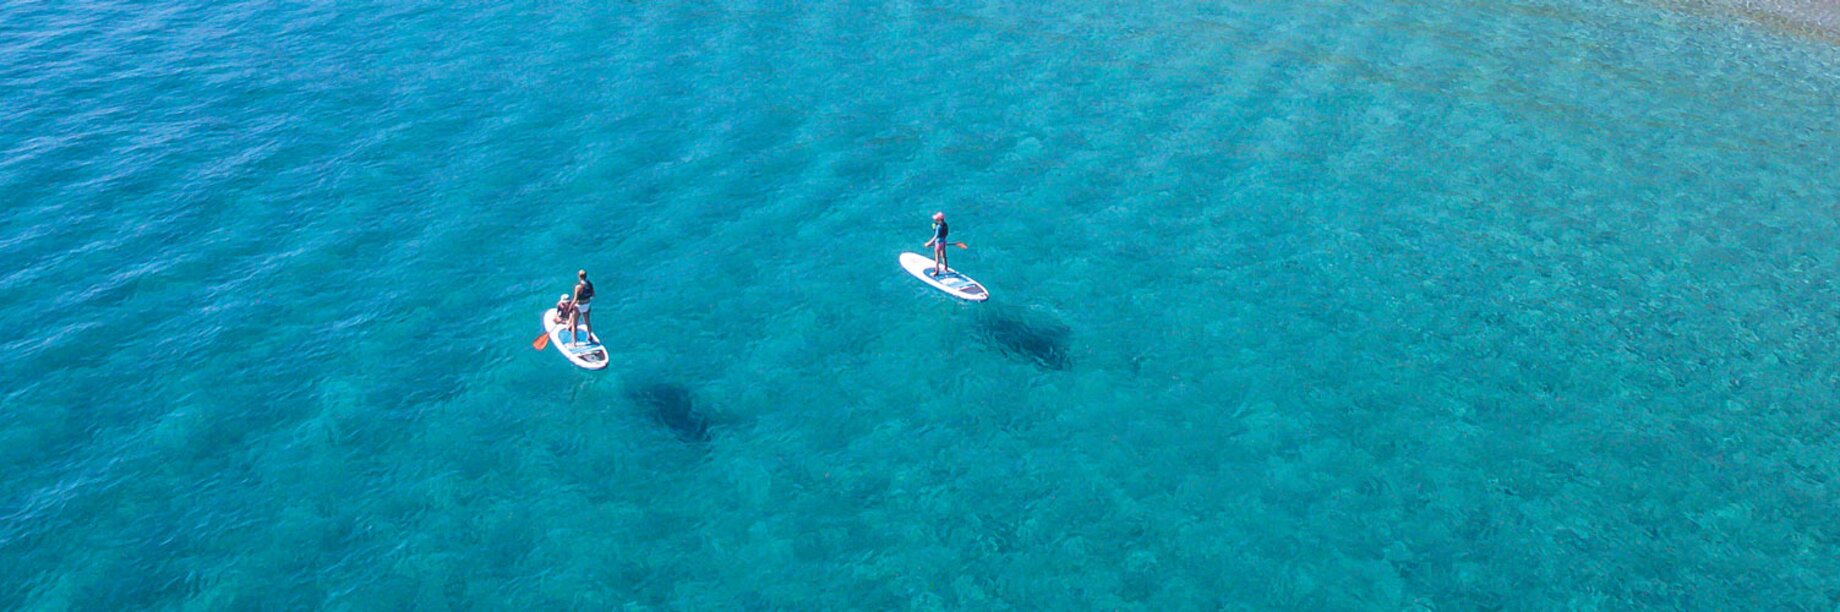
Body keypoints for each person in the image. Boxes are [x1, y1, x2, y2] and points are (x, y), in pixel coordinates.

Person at [568, 270, 595, 345]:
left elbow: (575, 299)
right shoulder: (590, 284)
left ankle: (574, 343)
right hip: (587, 305)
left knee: (574, 324)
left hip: (579, 306)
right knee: (587, 322)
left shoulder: (578, 287)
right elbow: (593, 295)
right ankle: (590, 336)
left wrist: (570, 307)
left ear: (579, 276)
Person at [923, 211, 950, 276]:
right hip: (944, 241)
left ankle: (936, 272)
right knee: (943, 256)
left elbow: (936, 236)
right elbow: (946, 233)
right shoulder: (945, 225)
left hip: (938, 243)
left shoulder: (938, 227)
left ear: (939, 220)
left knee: (937, 258)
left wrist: (929, 243)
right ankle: (946, 268)